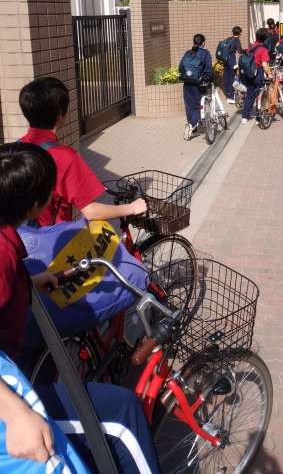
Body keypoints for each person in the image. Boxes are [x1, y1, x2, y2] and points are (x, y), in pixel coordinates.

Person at [0, 142, 160, 473]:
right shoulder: (2, 252)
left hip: (14, 365)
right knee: (123, 415)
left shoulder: (7, 239)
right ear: (35, 205)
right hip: (8, 392)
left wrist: (32, 280)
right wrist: (16, 414)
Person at [19, 77, 147, 227]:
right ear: (61, 114)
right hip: (53, 238)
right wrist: (132, 208)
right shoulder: (64, 157)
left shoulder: (15, 148)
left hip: (19, 236)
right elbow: (91, 211)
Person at [179, 34, 213, 139]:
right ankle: (192, 125)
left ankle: (191, 125)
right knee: (198, 105)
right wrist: (207, 79)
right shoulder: (205, 53)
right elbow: (208, 69)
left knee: (189, 106)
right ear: (203, 43)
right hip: (198, 84)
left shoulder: (188, 53)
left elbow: (180, 67)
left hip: (187, 82)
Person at [241, 28, 272, 124]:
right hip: (258, 73)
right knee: (260, 95)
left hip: (248, 73)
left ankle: (244, 117)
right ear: (265, 39)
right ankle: (259, 117)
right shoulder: (263, 50)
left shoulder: (251, 47)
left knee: (250, 95)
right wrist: (270, 75)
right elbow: (265, 65)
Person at [221, 26, 242, 105]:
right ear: (239, 33)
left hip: (225, 61)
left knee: (226, 79)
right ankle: (231, 97)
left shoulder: (228, 39)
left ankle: (228, 96)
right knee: (232, 79)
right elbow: (239, 51)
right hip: (232, 62)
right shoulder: (237, 40)